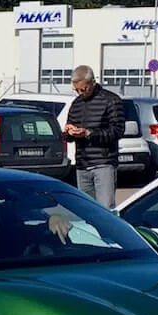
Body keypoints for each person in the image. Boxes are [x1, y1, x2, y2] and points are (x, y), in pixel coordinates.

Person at [62, 66, 124, 210]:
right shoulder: (76, 104)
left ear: (92, 83)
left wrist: (88, 133)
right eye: (76, 90)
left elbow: (117, 131)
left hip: (104, 162)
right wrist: (68, 132)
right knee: (86, 209)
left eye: (83, 89)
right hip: (82, 163)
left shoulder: (111, 100)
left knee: (105, 209)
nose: (80, 93)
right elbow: (68, 134)